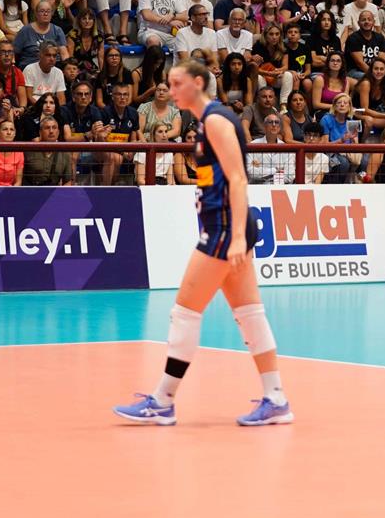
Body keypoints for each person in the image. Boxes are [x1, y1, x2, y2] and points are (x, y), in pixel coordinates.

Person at [114, 59, 292, 427]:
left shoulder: (215, 120)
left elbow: (238, 179)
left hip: (224, 228)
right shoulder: (205, 121)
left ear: (198, 82)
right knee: (250, 314)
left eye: (177, 83)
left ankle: (163, 401)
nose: (171, 90)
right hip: (224, 225)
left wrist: (237, 236)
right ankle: (276, 398)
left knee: (184, 311)